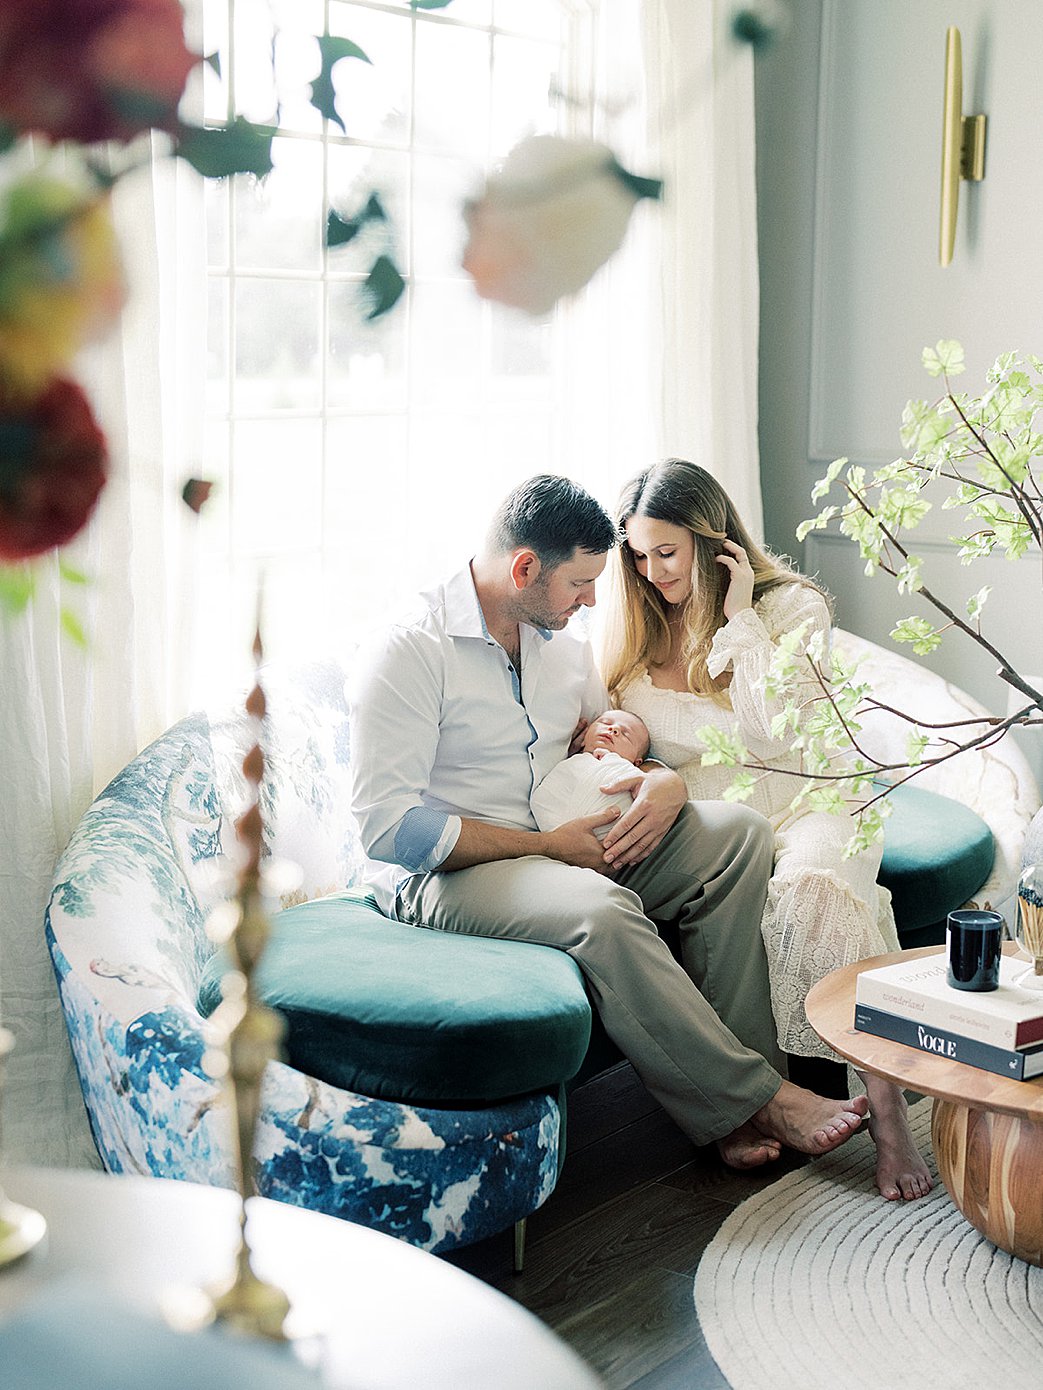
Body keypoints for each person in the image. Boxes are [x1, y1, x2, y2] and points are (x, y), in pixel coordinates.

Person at [348, 473, 869, 1172]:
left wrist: (660, 784)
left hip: (566, 841)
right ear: (525, 568)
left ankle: (749, 1086)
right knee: (601, 908)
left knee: (737, 836)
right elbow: (390, 831)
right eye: (578, 584)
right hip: (456, 870)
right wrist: (546, 846)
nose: (594, 598)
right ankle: (759, 1098)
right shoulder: (411, 649)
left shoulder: (559, 644)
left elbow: (614, 741)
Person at [601, 457, 932, 1201]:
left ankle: (887, 1115)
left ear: (712, 542)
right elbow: (617, 738)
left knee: (809, 887)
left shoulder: (792, 609)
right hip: (723, 820)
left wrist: (739, 613)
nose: (652, 571)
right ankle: (762, 1102)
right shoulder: (631, 629)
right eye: (639, 554)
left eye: (667, 552)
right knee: (758, 879)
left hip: (817, 795)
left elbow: (773, 730)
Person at [530, 709, 652, 841]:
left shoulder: (629, 771)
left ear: (636, 762)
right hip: (548, 819)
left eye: (626, 734)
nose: (614, 728)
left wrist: (611, 759)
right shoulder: (570, 760)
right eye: (605, 723)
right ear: (584, 738)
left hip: (609, 828)